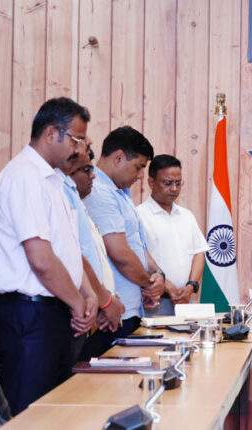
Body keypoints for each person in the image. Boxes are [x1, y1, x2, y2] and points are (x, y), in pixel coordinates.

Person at [0, 97, 98, 413]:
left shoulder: (54, 180)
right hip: (29, 314)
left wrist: (87, 295)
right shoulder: (24, 176)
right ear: (51, 133)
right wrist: (77, 303)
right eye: (76, 139)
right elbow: (41, 258)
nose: (79, 149)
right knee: (30, 413)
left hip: (53, 312)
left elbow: (67, 250)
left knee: (54, 412)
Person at [84, 126, 165, 342]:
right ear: (119, 158)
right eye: (139, 167)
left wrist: (157, 273)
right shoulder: (98, 192)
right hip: (111, 313)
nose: (140, 176)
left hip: (129, 307)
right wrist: (148, 285)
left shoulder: (120, 192)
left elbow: (136, 245)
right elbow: (119, 254)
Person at [61, 144, 125, 364]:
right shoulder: (64, 196)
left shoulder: (79, 203)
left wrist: (103, 303)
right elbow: (75, 258)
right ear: (68, 170)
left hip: (91, 310)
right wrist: (104, 302)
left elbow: (94, 260)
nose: (93, 175)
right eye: (87, 169)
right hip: (75, 313)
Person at [137, 155, 209, 316]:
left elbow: (199, 253)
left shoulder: (187, 216)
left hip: (186, 299)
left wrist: (191, 286)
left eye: (178, 183)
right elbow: (138, 256)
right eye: (167, 183)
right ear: (151, 182)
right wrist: (168, 287)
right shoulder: (139, 215)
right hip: (155, 302)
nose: (174, 189)